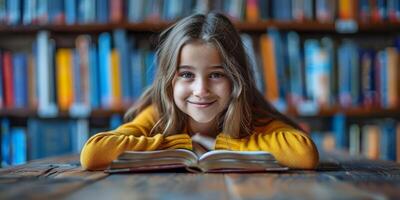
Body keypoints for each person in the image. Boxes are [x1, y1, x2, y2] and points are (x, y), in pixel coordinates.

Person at [80, 12, 319, 170]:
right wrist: (183, 145)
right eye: (186, 75)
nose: (201, 90)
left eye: (216, 75)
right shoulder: (157, 116)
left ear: (236, 80)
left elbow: (304, 154)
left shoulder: (250, 117)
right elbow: (93, 154)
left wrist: (220, 144)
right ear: (169, 81)